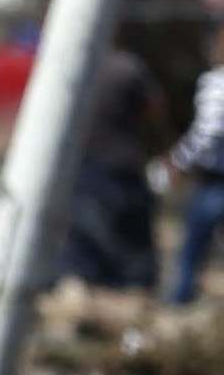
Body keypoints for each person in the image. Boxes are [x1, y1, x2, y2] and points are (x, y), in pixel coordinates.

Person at [60, 45, 164, 293]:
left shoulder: (71, 68)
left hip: (84, 163)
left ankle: (83, 287)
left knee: (85, 234)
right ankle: (134, 290)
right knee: (130, 238)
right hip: (121, 162)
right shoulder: (128, 67)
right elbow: (155, 108)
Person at [175, 22, 224, 307]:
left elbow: (207, 133)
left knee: (192, 251)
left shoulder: (215, 83)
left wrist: (178, 162)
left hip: (214, 179)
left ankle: (179, 304)